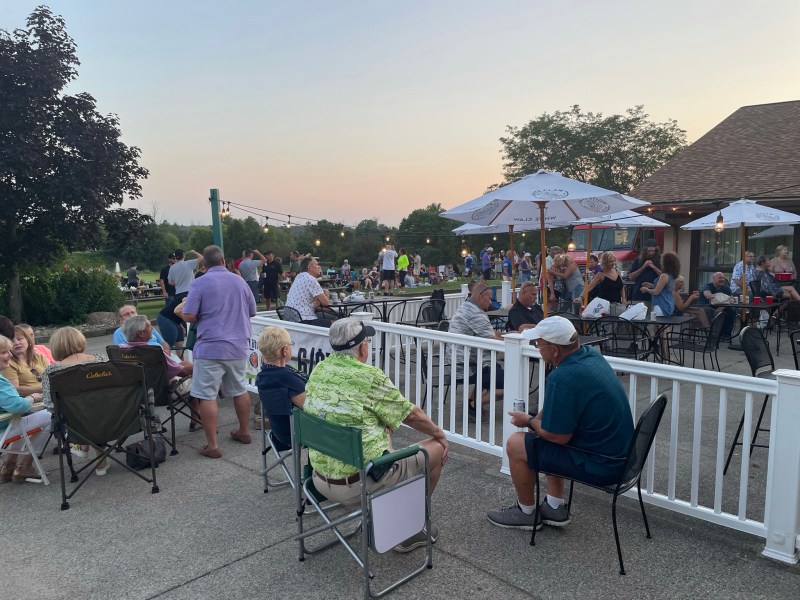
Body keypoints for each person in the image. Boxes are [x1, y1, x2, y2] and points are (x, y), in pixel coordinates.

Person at [304, 318, 448, 552]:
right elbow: (412, 415)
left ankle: (390, 515)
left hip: (319, 480)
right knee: (437, 449)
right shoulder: (369, 376)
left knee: (383, 429)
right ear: (362, 347)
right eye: (367, 341)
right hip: (359, 483)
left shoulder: (320, 369)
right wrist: (440, 434)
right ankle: (407, 528)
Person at [487, 316, 633, 530]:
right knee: (542, 436)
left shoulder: (563, 376)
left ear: (554, 350)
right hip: (621, 457)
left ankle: (526, 512)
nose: (537, 348)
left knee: (517, 444)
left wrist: (528, 420)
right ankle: (555, 507)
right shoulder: (591, 356)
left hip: (603, 465)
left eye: (538, 344)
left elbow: (558, 437)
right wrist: (540, 419)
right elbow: (562, 409)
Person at [181, 245, 257, 459]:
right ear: (224, 260)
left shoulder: (199, 282)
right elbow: (252, 311)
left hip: (210, 346)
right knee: (240, 389)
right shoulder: (239, 281)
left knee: (207, 395)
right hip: (237, 344)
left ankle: (212, 445)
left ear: (203, 264)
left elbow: (188, 315)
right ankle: (244, 431)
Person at [41, 327, 108, 469]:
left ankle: (82, 444)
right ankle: (100, 457)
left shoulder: (52, 371)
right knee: (95, 406)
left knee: (77, 412)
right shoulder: (102, 359)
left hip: (77, 424)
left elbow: (50, 405)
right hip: (111, 417)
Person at [0, 335, 50, 484]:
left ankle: (9, 466)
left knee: (21, 420)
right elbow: (18, 406)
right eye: (4, 352)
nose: (9, 355)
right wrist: (34, 398)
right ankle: (25, 466)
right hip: (3, 429)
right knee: (52, 415)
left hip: (8, 424)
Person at [447, 282, 504, 409]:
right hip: (467, 368)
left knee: (495, 367)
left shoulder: (466, 307)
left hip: (460, 362)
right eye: (489, 299)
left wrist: (507, 335)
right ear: (481, 296)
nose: (491, 303)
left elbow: (489, 335)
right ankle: (474, 405)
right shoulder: (476, 314)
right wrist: (514, 341)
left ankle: (471, 401)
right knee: (513, 382)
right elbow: (493, 340)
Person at [256, 326, 307, 430]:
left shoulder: (263, 375)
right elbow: (311, 408)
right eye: (290, 344)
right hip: (297, 434)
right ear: (285, 350)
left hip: (278, 431)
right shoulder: (287, 378)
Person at [119, 316, 192, 380]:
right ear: (141, 333)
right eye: (149, 326)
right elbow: (183, 372)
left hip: (132, 391)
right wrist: (196, 367)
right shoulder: (153, 351)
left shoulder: (119, 350)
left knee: (184, 364)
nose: (152, 329)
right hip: (156, 391)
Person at [286, 257, 336, 327]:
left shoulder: (299, 277)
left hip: (291, 317)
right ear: (309, 267)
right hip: (303, 319)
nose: (319, 267)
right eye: (317, 264)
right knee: (337, 324)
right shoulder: (311, 279)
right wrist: (326, 294)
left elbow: (309, 299)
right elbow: (326, 302)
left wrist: (317, 302)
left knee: (324, 316)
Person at [2, 326, 49, 396]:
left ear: (28, 340)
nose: (17, 343)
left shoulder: (39, 357)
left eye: (19, 339)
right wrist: (42, 389)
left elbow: (51, 376)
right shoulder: (8, 363)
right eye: (12, 341)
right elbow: (15, 389)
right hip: (30, 401)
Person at [697, 271, 736, 340]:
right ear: (714, 279)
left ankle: (726, 335)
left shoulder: (726, 288)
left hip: (721, 307)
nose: (722, 279)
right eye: (720, 278)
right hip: (706, 306)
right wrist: (721, 297)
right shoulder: (707, 286)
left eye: (723, 278)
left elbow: (731, 299)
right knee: (709, 311)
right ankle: (712, 334)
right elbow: (708, 295)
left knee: (731, 311)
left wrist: (721, 307)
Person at [639, 251, 680, 317]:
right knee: (662, 326)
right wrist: (651, 285)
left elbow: (656, 292)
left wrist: (646, 289)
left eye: (662, 261)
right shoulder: (672, 276)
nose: (660, 263)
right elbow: (664, 288)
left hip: (661, 305)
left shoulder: (664, 275)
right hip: (669, 303)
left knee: (658, 325)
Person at [628, 239, 662, 303]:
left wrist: (653, 267)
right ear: (645, 250)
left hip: (655, 295)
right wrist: (643, 267)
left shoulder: (660, 261)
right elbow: (631, 277)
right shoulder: (637, 260)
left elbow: (664, 276)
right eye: (649, 251)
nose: (651, 253)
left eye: (653, 251)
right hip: (639, 294)